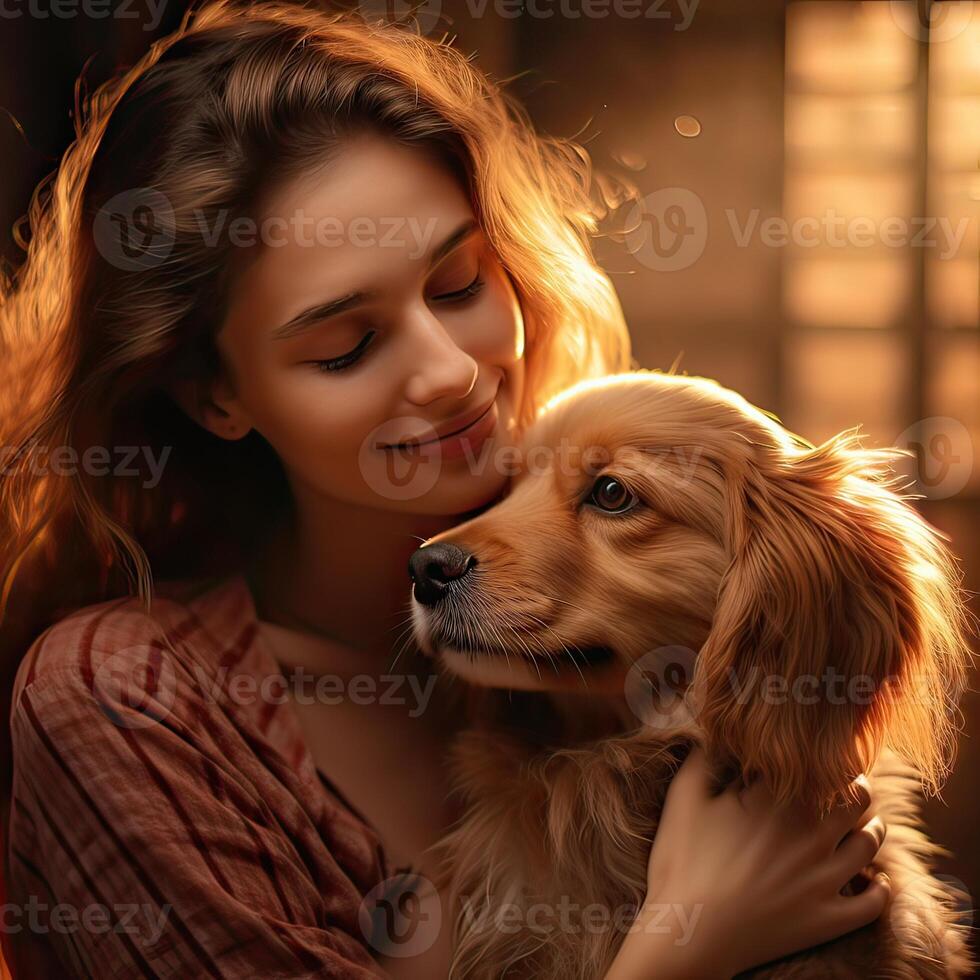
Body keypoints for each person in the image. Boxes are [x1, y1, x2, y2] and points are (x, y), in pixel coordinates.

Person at [0, 1, 890, 976]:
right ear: (215, 396)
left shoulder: (623, 597)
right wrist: (690, 943)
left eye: (460, 282)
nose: (450, 373)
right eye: (348, 344)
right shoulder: (123, 700)